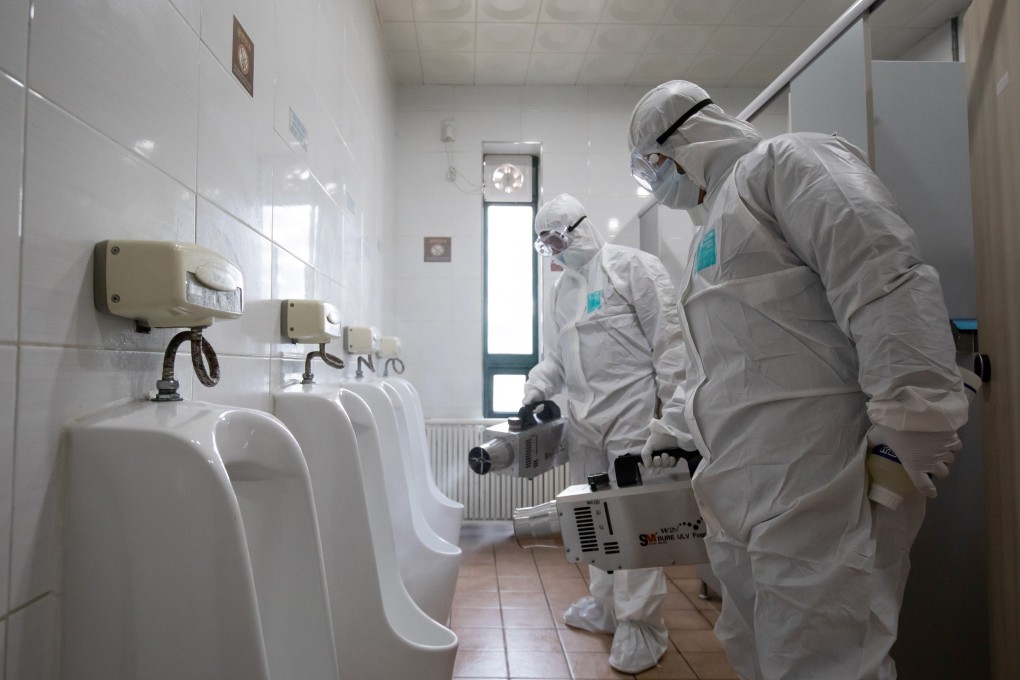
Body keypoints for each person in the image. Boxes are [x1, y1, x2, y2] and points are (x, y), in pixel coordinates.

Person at [626, 80, 970, 679]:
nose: (656, 185)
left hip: (822, 481)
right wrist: (675, 428)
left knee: (827, 663)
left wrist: (911, 425)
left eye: (652, 167)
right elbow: (722, 359)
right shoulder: (713, 227)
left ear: (684, 140)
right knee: (758, 653)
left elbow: (885, 279)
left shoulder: (789, 163)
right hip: (744, 491)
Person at [523, 193, 694, 674]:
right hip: (584, 423)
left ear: (578, 227)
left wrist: (674, 418)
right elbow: (555, 356)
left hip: (632, 420)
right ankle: (605, 607)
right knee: (593, 518)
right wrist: (536, 389)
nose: (553, 251)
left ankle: (642, 625)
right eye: (544, 245)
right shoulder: (564, 290)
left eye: (555, 238)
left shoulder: (632, 267)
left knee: (634, 523)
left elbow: (671, 343)